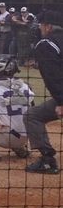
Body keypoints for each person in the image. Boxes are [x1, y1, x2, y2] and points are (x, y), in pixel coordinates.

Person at [24, 10, 63, 174]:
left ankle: (48, 161)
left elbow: (53, 77)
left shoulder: (46, 44)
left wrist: (61, 102)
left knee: (32, 116)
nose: (39, 28)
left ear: (47, 26)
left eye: (40, 25)